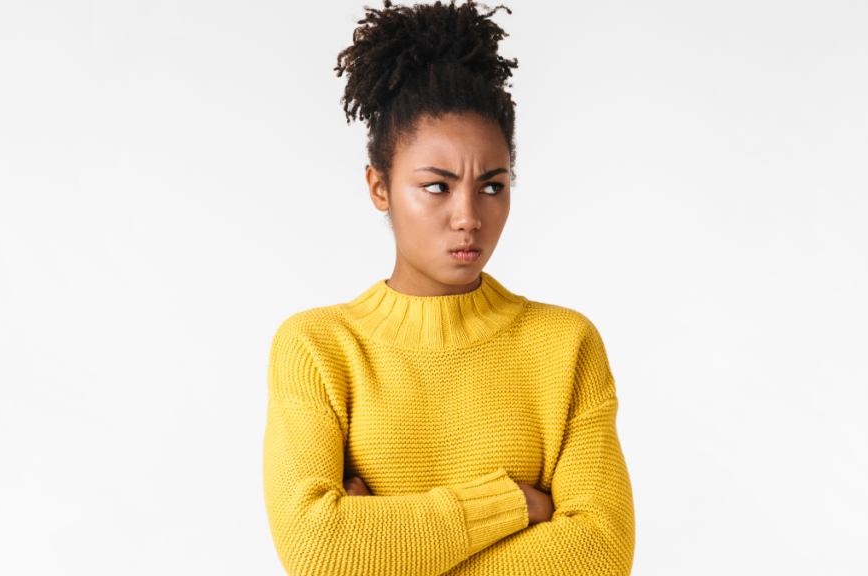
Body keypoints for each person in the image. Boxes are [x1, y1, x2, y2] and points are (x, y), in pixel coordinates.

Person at [261, 1, 635, 574]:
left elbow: (600, 555)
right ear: (379, 186)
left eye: (492, 186)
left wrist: (390, 548)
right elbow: (318, 550)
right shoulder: (319, 348)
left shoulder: (566, 346)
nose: (468, 216)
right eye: (437, 187)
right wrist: (513, 504)